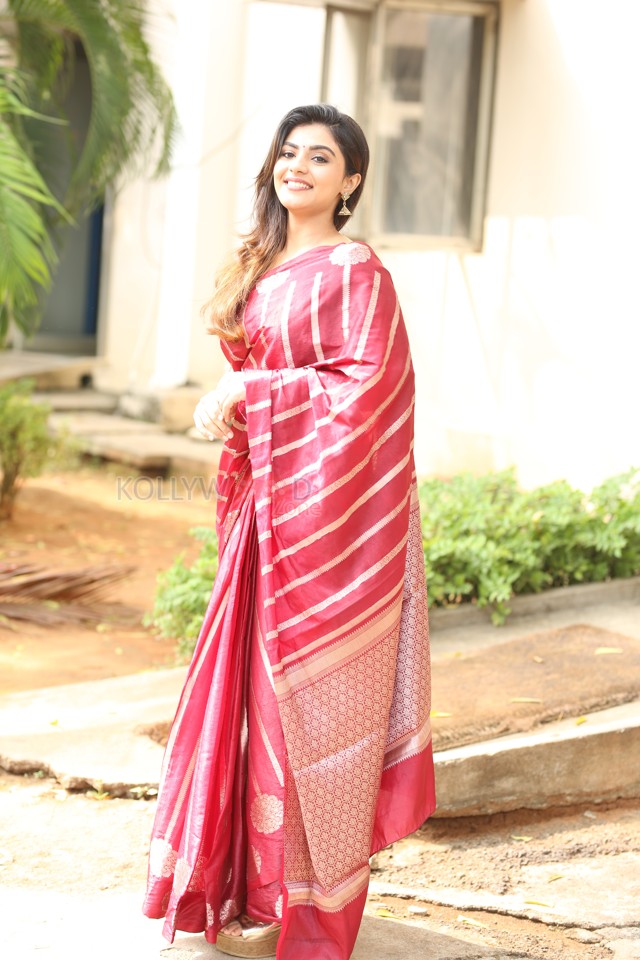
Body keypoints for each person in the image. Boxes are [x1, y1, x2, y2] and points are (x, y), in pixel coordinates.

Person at [143, 103, 436, 960]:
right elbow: (269, 378)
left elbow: (371, 390)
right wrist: (239, 407)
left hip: (334, 530)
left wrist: (252, 393)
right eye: (288, 152)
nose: (296, 167)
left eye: (320, 157)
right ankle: (248, 889)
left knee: (316, 709)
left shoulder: (356, 270)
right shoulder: (265, 268)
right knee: (247, 701)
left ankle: (316, 915)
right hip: (267, 518)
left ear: (351, 182)